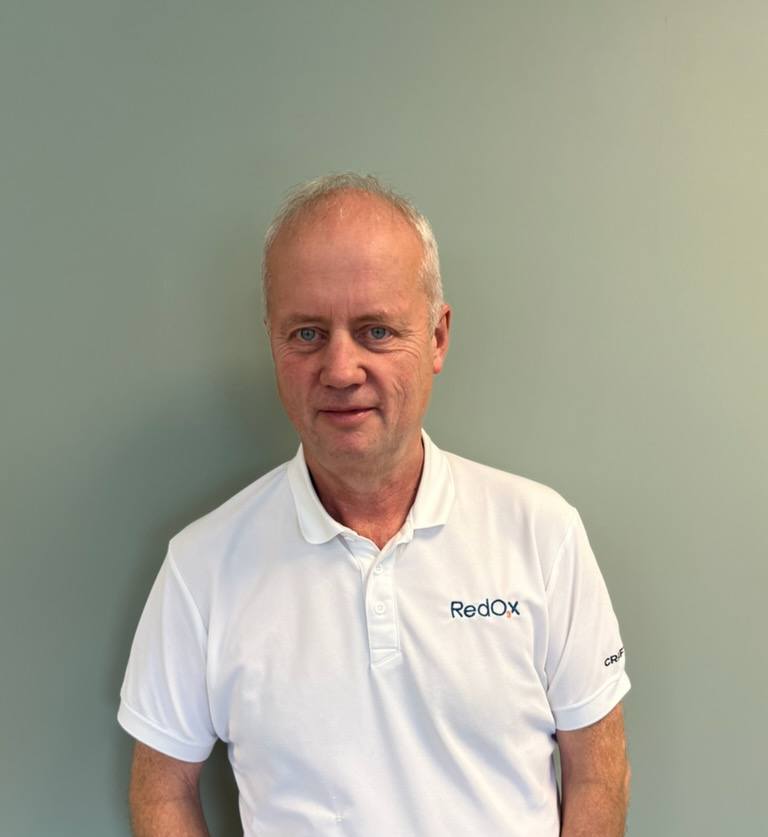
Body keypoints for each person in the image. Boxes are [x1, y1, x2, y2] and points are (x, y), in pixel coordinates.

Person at [119, 173, 631, 836]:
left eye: (376, 331)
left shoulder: (543, 534)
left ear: (438, 337)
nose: (339, 367)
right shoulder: (201, 567)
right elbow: (161, 789)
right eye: (307, 333)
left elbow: (598, 771)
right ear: (272, 340)